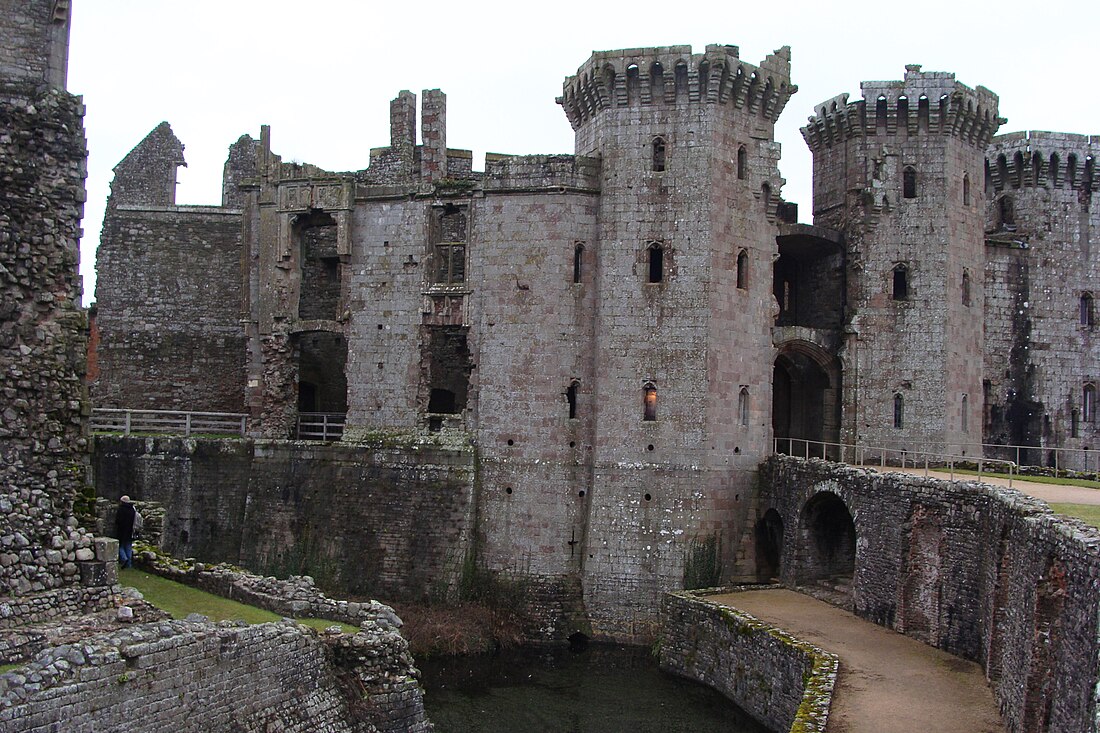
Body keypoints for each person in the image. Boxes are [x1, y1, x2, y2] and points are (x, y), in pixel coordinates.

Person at [116, 495, 136, 568]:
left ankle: (124, 558)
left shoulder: (121, 509)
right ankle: (129, 564)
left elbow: (118, 520)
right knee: (128, 547)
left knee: (120, 546)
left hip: (122, 530)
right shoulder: (132, 509)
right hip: (130, 531)